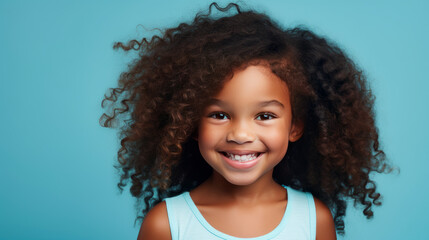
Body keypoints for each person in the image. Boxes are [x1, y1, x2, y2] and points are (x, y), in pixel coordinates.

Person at [100, 2, 391, 239]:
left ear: (295, 126)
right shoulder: (166, 225)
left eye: (264, 116)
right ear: (189, 124)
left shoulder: (314, 221)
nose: (240, 134)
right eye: (219, 115)